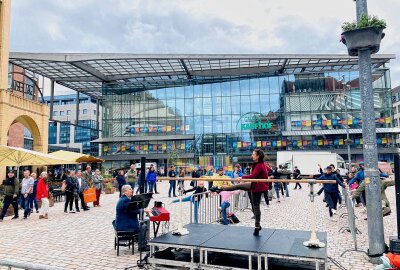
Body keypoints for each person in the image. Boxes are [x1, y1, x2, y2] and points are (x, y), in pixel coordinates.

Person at [210, 149, 270, 236]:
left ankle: (257, 226)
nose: (251, 155)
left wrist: (242, 178)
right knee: (238, 186)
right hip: (254, 184)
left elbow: (253, 176)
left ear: (257, 156)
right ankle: (220, 188)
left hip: (258, 187)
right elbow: (263, 171)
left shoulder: (260, 165)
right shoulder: (259, 164)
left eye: (253, 154)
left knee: (255, 206)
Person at [112, 184, 149, 251]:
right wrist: (144, 210)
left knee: (142, 224)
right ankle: (142, 246)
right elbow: (132, 211)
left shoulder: (124, 199)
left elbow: (131, 209)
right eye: (130, 189)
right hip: (125, 225)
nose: (131, 190)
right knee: (143, 226)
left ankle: (141, 241)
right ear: (125, 191)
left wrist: (140, 205)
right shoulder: (125, 200)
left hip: (123, 223)